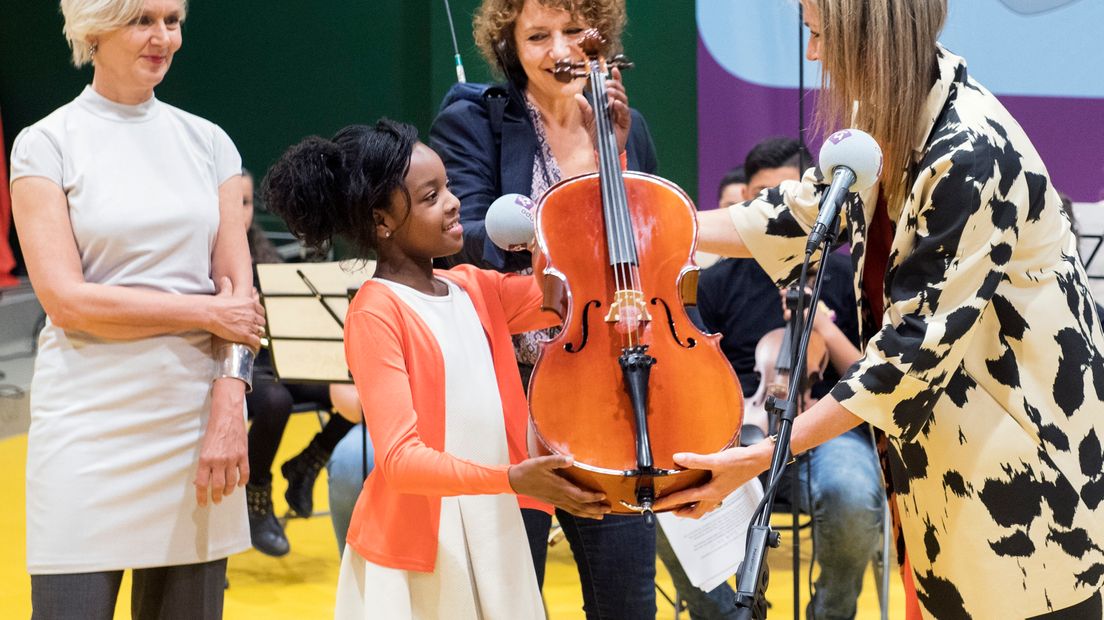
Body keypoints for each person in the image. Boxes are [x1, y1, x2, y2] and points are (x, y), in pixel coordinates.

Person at [672, 0, 1104, 617]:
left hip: (1026, 483)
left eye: (818, 34)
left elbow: (908, 357)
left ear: (866, 32)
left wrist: (759, 458)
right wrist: (664, 226)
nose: (813, 53)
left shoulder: (969, 150)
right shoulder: (885, 119)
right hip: (943, 470)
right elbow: (804, 213)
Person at [262, 118, 609, 619]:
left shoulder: (473, 287)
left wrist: (549, 235)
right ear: (381, 221)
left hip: (493, 524)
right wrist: (512, 477)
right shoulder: (377, 310)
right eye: (430, 196)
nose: (453, 202)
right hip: (421, 549)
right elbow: (402, 461)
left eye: (447, 187)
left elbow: (567, 292)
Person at [10, 0, 264, 617]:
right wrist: (202, 314)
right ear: (94, 29)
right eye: (142, 20)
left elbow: (239, 295)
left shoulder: (210, 143)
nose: (163, 38)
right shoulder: (44, 145)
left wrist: (230, 409)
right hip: (85, 425)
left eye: (173, 21)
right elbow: (68, 302)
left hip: (196, 423)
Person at [429, 0, 659, 615]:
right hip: (511, 387)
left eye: (571, 33)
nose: (558, 51)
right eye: (537, 36)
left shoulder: (625, 126)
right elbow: (460, 239)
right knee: (512, 598)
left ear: (599, 39)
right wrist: (542, 230)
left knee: (629, 604)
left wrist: (615, 158)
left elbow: (647, 251)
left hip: (608, 386)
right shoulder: (475, 118)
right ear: (511, 46)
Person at [656, 138, 884, 620]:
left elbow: (873, 376)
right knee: (667, 496)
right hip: (739, 430)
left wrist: (822, 323)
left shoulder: (846, 275)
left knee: (852, 496)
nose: (768, 210)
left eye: (781, 197)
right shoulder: (716, 282)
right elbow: (695, 370)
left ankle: (830, 612)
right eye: (757, 198)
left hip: (825, 429)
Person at [237, 169, 360, 557]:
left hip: (280, 358)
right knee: (276, 402)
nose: (242, 211)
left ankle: (309, 460)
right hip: (239, 366)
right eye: (233, 202)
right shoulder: (204, 256)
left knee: (359, 395)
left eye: (247, 203)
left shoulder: (264, 253)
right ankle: (256, 495)